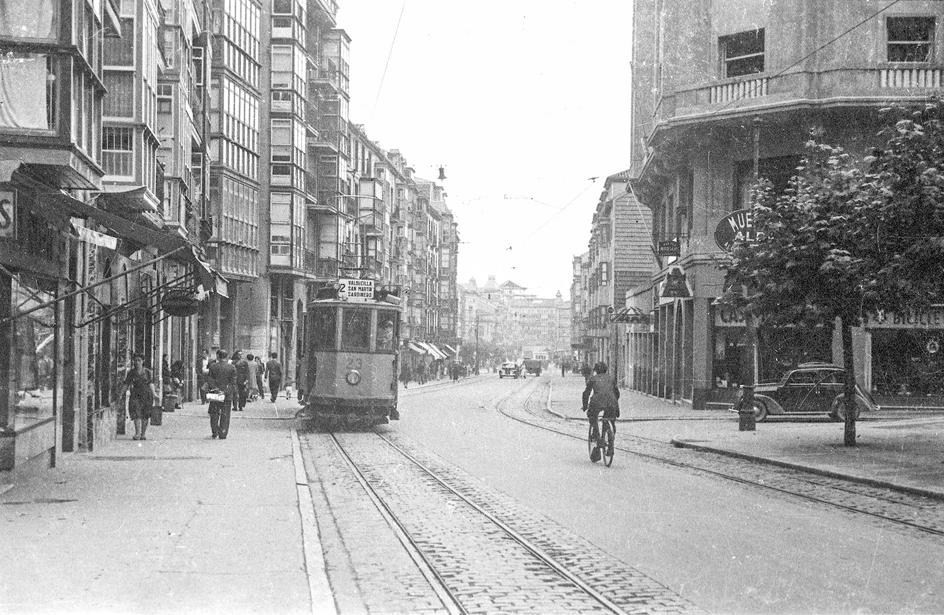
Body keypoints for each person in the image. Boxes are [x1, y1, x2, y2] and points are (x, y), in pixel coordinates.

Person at [582, 361, 621, 458]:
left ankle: (597, 437)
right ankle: (610, 442)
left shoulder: (593, 379)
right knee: (610, 420)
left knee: (592, 416)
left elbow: (586, 393)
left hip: (597, 402)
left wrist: (585, 406)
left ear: (596, 371)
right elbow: (617, 393)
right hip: (611, 402)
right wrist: (614, 402)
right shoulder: (611, 378)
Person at [116, 353, 158, 441]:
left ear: (143, 361)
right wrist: (121, 394)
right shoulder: (131, 372)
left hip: (146, 395)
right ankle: (137, 433)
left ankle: (143, 434)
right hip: (135, 395)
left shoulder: (147, 372)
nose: (137, 362)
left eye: (139, 360)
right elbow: (126, 384)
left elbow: (151, 383)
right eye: (135, 360)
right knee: (136, 414)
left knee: (145, 415)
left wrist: (154, 394)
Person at [206, 349, 236, 439]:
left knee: (214, 413)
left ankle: (215, 431)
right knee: (225, 414)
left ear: (218, 356)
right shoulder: (232, 367)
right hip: (226, 395)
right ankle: (223, 433)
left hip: (215, 393)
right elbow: (233, 383)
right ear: (227, 357)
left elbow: (210, 380)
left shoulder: (212, 366)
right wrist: (225, 391)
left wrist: (216, 389)